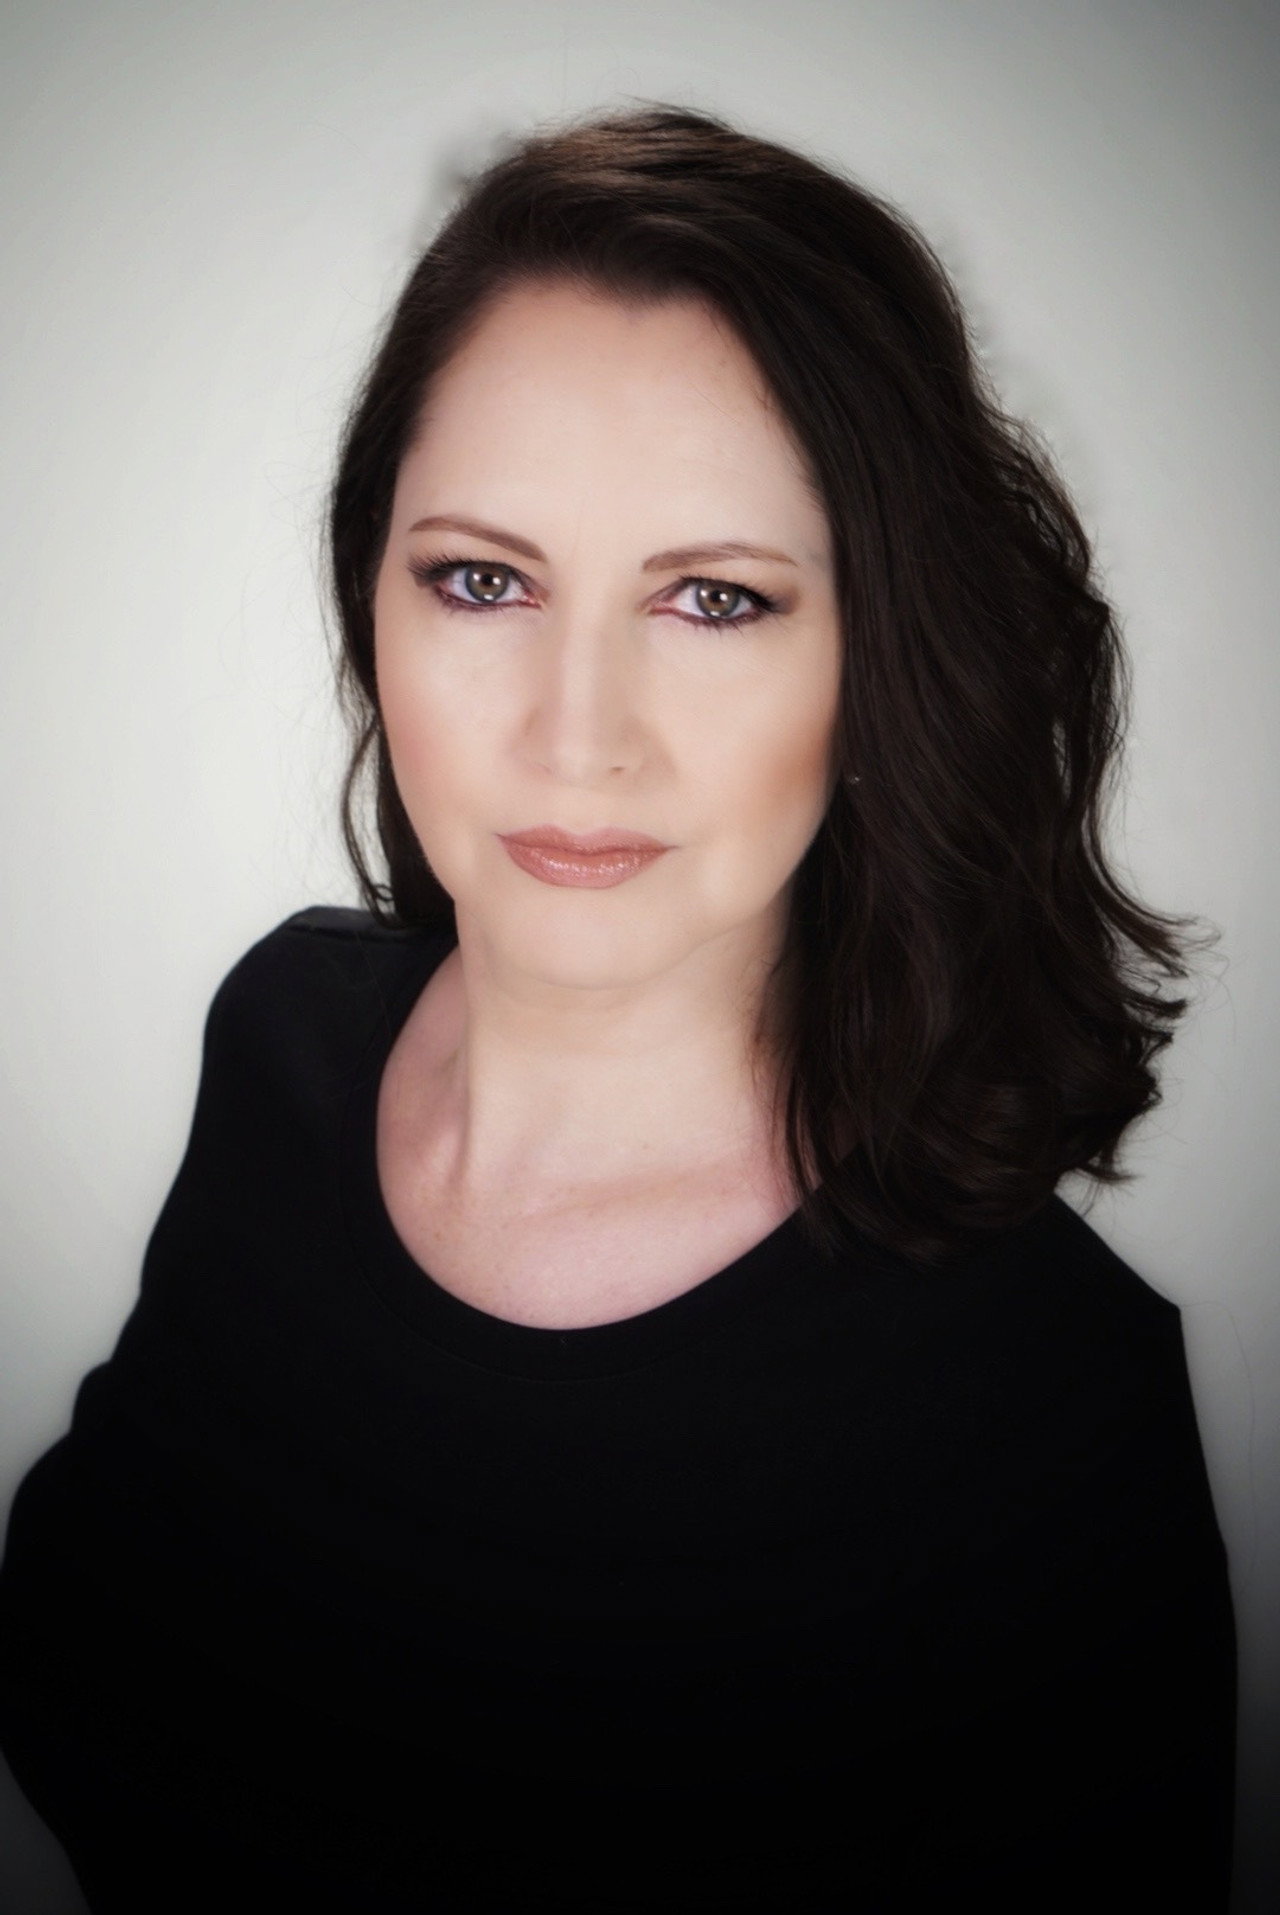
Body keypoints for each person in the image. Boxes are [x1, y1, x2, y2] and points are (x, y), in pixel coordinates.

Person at [0, 102, 1236, 1910]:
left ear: (879, 662)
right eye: (483, 580)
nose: (577, 733)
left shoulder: (1050, 1412)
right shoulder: (286, 1042)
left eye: (715, 599)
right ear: (371, 607)